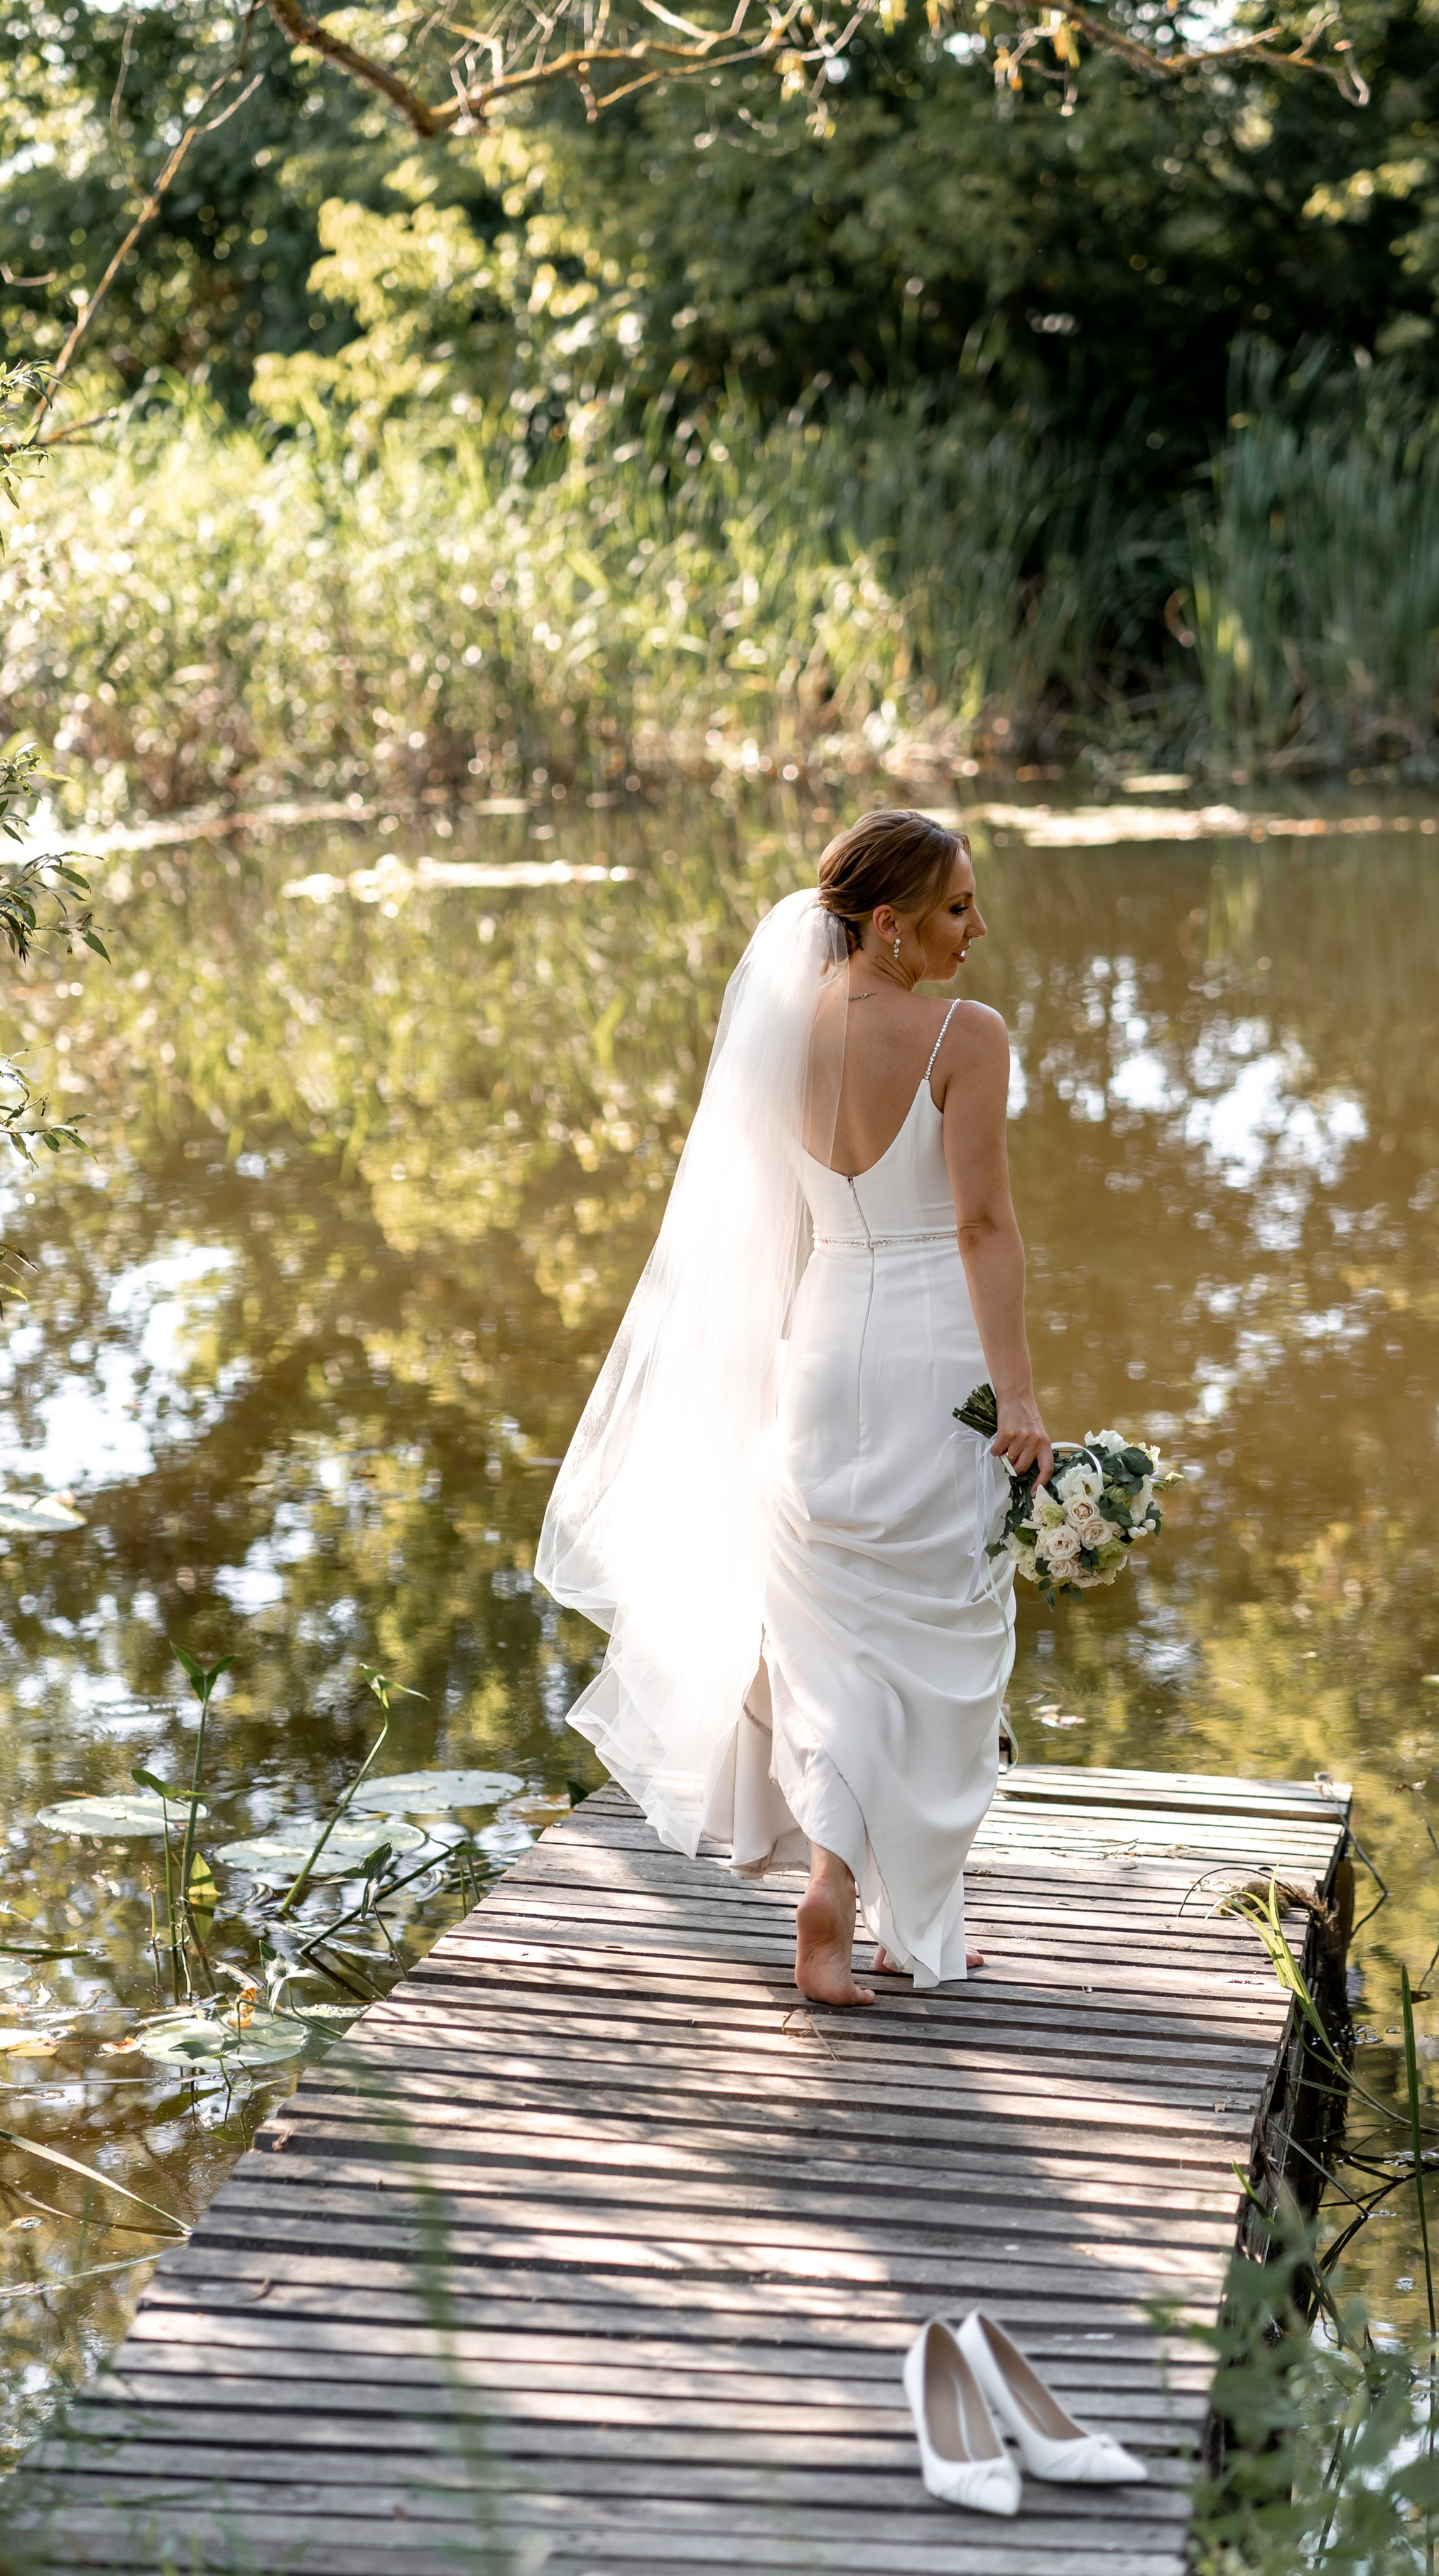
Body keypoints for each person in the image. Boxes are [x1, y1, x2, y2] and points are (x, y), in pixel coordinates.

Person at [536, 809, 1054, 2008]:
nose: (979, 928)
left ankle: (843, 1896)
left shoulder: (784, 1026)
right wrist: (1018, 1395)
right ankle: (904, 1920)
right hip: (935, 1359)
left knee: (836, 1638)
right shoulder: (965, 1038)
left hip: (820, 1348)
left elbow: (765, 1224)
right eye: (957, 908)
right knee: (945, 1629)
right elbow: (982, 1227)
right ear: (889, 923)